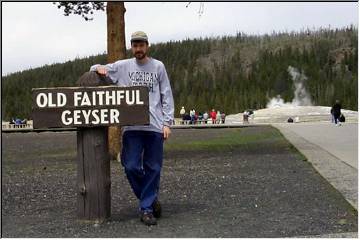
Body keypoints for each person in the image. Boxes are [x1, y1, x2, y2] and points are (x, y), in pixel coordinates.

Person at [90, 31, 174, 226]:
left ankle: (146, 209)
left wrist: (167, 123)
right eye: (135, 45)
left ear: (147, 46)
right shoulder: (123, 66)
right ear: (131, 47)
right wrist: (100, 68)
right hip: (131, 127)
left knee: (153, 168)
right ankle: (151, 200)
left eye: (141, 45)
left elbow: (166, 95)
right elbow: (95, 68)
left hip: (154, 126)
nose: (138, 49)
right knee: (131, 166)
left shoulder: (158, 66)